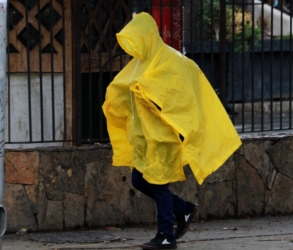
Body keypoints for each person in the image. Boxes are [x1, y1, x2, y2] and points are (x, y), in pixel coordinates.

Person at [102, 12, 241, 250]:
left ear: (146, 36)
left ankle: (166, 235)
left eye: (136, 39)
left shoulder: (169, 60)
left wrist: (148, 93)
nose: (133, 46)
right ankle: (184, 209)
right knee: (139, 180)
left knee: (157, 184)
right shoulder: (140, 63)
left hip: (162, 137)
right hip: (145, 138)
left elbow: (176, 94)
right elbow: (122, 86)